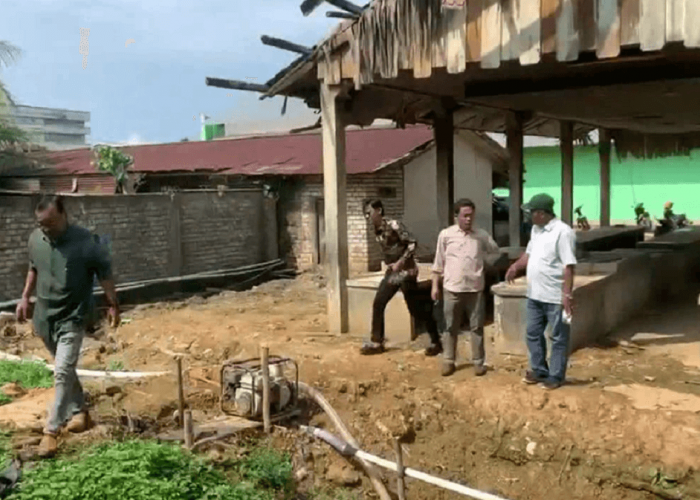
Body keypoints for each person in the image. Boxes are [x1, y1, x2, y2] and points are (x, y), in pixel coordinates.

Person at [15, 195, 120, 457]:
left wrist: (113, 304)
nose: (45, 229)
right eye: (41, 224)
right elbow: (33, 268)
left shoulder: (87, 241)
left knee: (61, 371)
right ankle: (80, 412)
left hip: (73, 316)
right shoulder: (35, 239)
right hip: (44, 317)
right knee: (66, 370)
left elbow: (105, 274)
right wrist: (25, 297)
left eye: (50, 223)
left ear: (64, 215)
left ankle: (51, 431)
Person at [505, 193, 576, 390]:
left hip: (555, 297)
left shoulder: (563, 232)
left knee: (558, 337)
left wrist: (567, 296)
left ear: (542, 213)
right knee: (533, 334)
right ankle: (539, 370)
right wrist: (515, 267)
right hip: (534, 295)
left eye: (531, 212)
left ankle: (556, 375)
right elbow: (529, 254)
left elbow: (568, 266)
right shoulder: (536, 230)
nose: (528, 216)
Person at [360, 200, 442, 356]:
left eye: (369, 213)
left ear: (379, 210)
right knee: (385, 303)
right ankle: (377, 341)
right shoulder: (376, 230)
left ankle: (435, 341)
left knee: (410, 308)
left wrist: (401, 261)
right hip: (394, 272)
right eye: (365, 214)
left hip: (405, 271)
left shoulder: (393, 224)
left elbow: (412, 243)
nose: (367, 216)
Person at [432, 199, 500, 377]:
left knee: (476, 327)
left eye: (471, 215)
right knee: (450, 327)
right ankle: (448, 361)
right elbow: (438, 263)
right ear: (456, 217)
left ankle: (478, 362)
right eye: (465, 216)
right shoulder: (446, 235)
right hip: (452, 289)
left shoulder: (481, 235)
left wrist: (484, 264)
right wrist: (434, 286)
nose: (469, 219)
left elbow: (495, 251)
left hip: (475, 289)